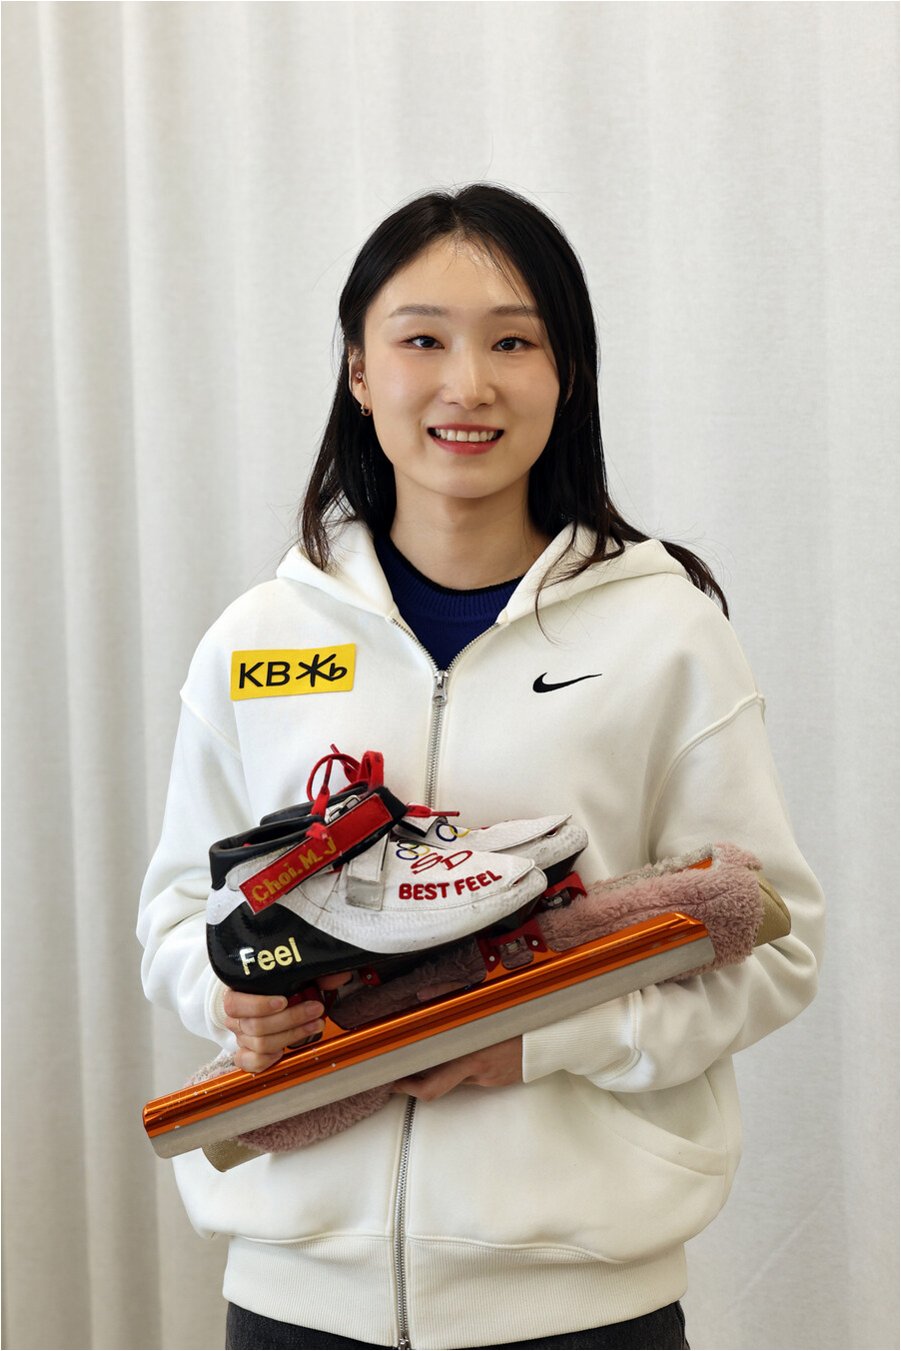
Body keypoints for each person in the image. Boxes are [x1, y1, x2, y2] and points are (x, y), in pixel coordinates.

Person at [138, 183, 823, 1351]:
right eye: (422, 341)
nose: (468, 383)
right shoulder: (260, 639)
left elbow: (770, 938)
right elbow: (174, 914)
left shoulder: (662, 632)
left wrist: (538, 1037)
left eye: (513, 341)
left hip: (580, 1305)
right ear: (359, 371)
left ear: (567, 374)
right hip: (297, 1298)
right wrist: (228, 997)